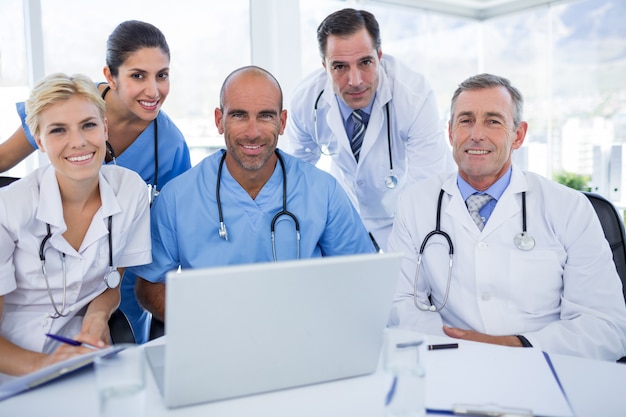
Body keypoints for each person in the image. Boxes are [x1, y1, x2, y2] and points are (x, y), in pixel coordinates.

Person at [387, 73, 626, 361]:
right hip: (451, 363)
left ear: (519, 135)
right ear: (450, 133)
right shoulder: (415, 205)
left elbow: (606, 327)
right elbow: (398, 305)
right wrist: (460, 347)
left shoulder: (569, 207)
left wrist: (514, 347)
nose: (476, 134)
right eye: (465, 120)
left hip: (546, 367)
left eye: (493, 121)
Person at [130, 65, 375, 322]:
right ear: (218, 120)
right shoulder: (177, 198)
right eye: (238, 115)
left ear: (282, 122)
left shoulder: (323, 192)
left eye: (266, 116)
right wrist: (207, 323)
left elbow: (361, 277)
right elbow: (149, 285)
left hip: (301, 339)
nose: (252, 132)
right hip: (214, 342)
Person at [0, 20, 191, 344]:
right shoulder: (69, 104)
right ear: (109, 76)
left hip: (119, 277)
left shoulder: (169, 143)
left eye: (162, 75)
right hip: (52, 271)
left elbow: (175, 224)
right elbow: (3, 160)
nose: (153, 90)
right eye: (137, 75)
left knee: (117, 350)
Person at [0, 73, 151, 380]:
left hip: (82, 355)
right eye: (58, 130)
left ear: (104, 127)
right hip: (13, 364)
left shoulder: (130, 190)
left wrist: (96, 318)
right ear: (39, 141)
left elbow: (112, 282)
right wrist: (43, 367)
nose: (79, 141)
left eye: (89, 125)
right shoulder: (8, 209)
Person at [285, 8, 454, 251]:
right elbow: (294, 178)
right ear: (324, 66)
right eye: (340, 67)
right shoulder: (306, 100)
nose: (355, 81)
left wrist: (411, 251)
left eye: (365, 62)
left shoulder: (413, 95)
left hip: (402, 213)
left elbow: (428, 185)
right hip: (345, 215)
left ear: (380, 56)